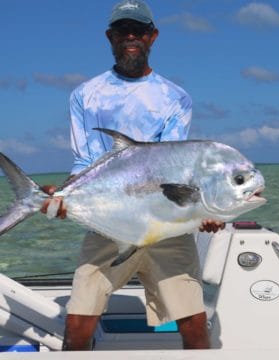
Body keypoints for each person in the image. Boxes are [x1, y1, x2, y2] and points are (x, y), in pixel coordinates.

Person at [42, 0, 224, 351]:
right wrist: (64, 197)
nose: (131, 37)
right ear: (109, 37)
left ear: (152, 37)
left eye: (138, 31)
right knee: (78, 323)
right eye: (123, 31)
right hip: (110, 222)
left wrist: (202, 210)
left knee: (195, 324)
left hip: (165, 227)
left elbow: (169, 167)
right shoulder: (84, 94)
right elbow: (85, 162)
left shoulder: (175, 97)